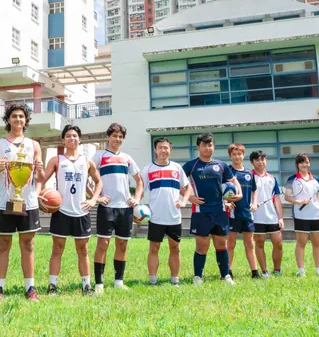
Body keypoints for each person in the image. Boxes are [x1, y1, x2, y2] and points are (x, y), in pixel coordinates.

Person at [0, 103, 45, 302]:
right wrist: (0, 168)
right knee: (3, 244)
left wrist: (40, 169)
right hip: (5, 201)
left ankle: (30, 289)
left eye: (21, 116)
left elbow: (41, 176)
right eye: (14, 116)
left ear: (26, 120)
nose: (18, 120)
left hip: (27, 200)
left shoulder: (34, 145)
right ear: (8, 120)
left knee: (28, 245)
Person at [43, 125, 102, 296]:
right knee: (57, 249)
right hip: (61, 211)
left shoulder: (87, 161)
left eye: (75, 135)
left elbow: (98, 182)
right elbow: (43, 180)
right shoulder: (56, 160)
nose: (72, 138)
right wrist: (41, 194)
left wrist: (93, 199)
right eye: (68, 136)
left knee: (83, 250)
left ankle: (86, 285)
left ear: (80, 139)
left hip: (81, 211)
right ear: (63, 140)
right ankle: (52, 286)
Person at [91, 123, 144, 295]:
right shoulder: (99, 156)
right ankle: (99, 284)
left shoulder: (127, 158)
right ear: (108, 137)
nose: (117, 139)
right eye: (114, 136)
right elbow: (85, 176)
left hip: (125, 209)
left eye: (120, 137)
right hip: (107, 207)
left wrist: (136, 199)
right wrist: (96, 197)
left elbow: (140, 181)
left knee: (122, 244)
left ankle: (118, 282)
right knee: (103, 244)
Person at [182, 132, 241, 286]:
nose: (207, 148)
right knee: (202, 246)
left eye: (210, 145)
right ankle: (197, 277)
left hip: (220, 211)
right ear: (198, 147)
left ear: (213, 146)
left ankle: (226, 276)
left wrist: (239, 193)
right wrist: (190, 197)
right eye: (204, 145)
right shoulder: (191, 165)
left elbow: (233, 181)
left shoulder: (221, 166)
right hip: (201, 212)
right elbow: (178, 183)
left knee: (222, 244)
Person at [140, 138, 191, 287]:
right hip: (156, 216)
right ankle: (152, 280)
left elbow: (187, 187)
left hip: (174, 216)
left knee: (175, 247)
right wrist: (137, 204)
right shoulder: (149, 169)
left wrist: (184, 201)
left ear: (170, 150)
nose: (163, 150)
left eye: (166, 148)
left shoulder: (176, 168)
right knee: (154, 248)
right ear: (155, 150)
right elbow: (141, 188)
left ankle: (175, 279)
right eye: (160, 148)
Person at [285, 153, 319, 277]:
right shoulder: (291, 179)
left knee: (317, 243)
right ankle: (301, 270)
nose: (305, 165)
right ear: (297, 164)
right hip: (301, 215)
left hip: (316, 215)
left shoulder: (316, 179)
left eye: (307, 162)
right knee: (301, 242)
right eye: (302, 162)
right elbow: (287, 197)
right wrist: (299, 202)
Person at [226, 143, 260, 279]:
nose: (237, 156)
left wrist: (255, 202)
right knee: (231, 243)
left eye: (239, 154)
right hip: (233, 214)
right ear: (230, 156)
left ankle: (255, 272)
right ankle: (228, 271)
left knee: (250, 243)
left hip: (247, 213)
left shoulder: (248, 173)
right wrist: (227, 202)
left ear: (243, 155)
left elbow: (254, 190)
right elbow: (221, 190)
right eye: (234, 154)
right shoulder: (227, 172)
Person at [250, 150, 284, 277]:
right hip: (256, 217)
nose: (261, 162)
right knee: (259, 243)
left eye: (263, 159)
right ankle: (264, 271)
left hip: (272, 217)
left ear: (266, 161)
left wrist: (280, 217)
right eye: (257, 160)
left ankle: (277, 270)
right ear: (252, 162)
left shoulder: (272, 179)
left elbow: (277, 199)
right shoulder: (249, 177)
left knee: (278, 243)